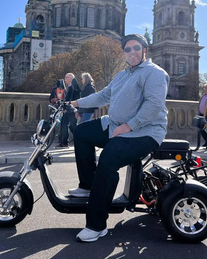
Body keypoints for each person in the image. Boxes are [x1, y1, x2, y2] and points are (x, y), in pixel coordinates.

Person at [69, 33, 169, 242]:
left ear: (144, 50)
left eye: (135, 48)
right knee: (81, 133)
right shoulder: (122, 74)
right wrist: (76, 103)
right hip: (114, 125)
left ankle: (97, 225)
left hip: (145, 131)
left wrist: (128, 126)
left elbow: (154, 105)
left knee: (108, 159)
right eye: (127, 49)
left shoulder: (154, 73)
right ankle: (87, 186)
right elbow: (104, 95)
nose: (131, 52)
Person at [56, 73, 80, 148]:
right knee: (64, 125)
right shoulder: (70, 87)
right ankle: (64, 142)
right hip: (68, 109)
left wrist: (68, 106)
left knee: (72, 126)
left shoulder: (73, 87)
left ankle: (79, 139)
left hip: (71, 110)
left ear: (70, 78)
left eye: (66, 77)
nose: (65, 79)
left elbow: (73, 99)